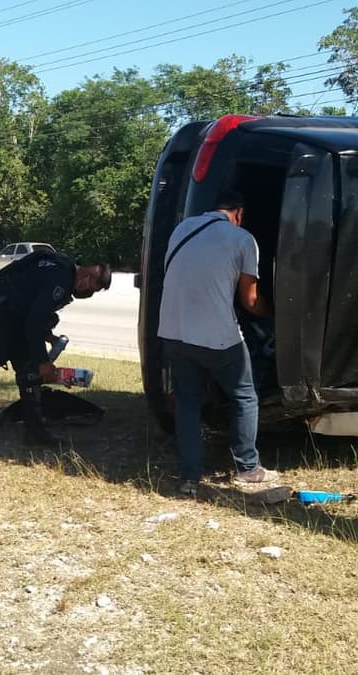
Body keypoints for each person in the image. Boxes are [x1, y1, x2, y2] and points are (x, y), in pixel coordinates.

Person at [0, 251, 112, 456]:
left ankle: (35, 432)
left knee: (30, 375)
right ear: (87, 278)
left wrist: (46, 338)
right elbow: (33, 321)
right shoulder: (60, 282)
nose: (88, 293)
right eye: (91, 289)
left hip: (13, 320)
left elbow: (29, 302)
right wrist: (44, 362)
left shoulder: (62, 264)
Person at [157, 191, 278, 496]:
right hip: (217, 338)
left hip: (172, 331)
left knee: (187, 404)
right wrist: (274, 315)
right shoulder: (243, 239)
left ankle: (189, 477)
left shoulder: (182, 229)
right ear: (238, 213)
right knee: (244, 395)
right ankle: (248, 468)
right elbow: (249, 301)